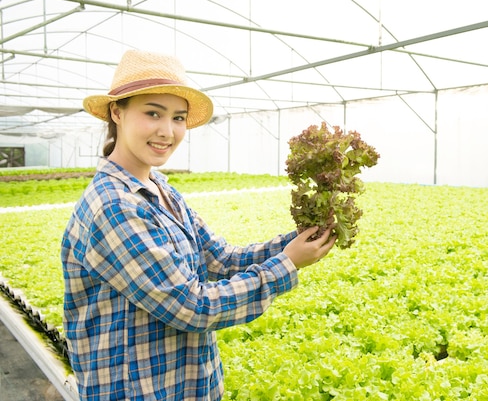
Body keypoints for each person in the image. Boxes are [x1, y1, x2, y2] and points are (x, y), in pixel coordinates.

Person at [61, 50, 336, 401]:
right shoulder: (114, 205)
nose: (168, 131)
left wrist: (294, 242)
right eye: (152, 113)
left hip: (188, 387)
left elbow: (220, 259)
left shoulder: (161, 190)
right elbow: (191, 306)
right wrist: (287, 264)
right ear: (117, 112)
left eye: (178, 118)